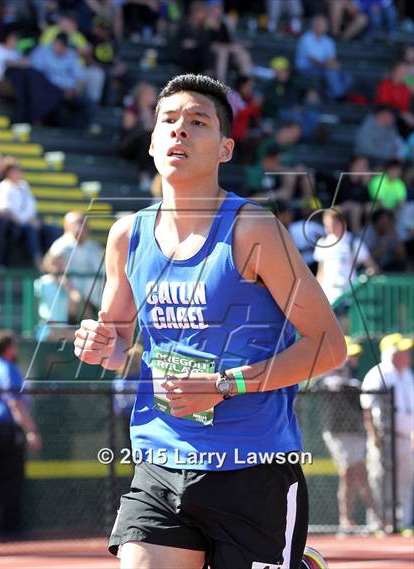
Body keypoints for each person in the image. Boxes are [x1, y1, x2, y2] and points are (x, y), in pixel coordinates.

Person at [74, 73, 347, 569]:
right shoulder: (126, 236)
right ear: (153, 140)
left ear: (225, 148)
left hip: (254, 468)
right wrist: (98, 346)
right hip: (161, 459)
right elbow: (117, 348)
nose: (179, 130)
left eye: (197, 122)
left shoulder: (253, 230)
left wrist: (225, 384)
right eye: (168, 121)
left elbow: (329, 346)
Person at [313, 336, 380, 530]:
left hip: (355, 431)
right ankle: (369, 518)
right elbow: (332, 384)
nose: (354, 359)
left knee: (353, 475)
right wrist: (352, 385)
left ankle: (350, 519)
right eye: (351, 356)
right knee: (352, 472)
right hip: (337, 432)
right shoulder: (330, 376)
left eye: (355, 356)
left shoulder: (354, 379)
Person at [360, 333, 414, 530]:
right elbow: (367, 407)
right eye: (402, 351)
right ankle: (380, 523)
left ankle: (402, 522)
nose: (407, 354)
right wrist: (374, 435)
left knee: (405, 481)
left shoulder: (407, 374)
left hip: (405, 438)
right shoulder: (378, 373)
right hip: (384, 436)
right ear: (391, 353)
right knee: (381, 479)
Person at [0, 330, 42, 537]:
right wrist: (31, 431)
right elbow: (15, 404)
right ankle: (11, 531)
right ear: (8, 348)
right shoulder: (7, 368)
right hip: (5, 432)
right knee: (11, 480)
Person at [0, 162, 60, 268]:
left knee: (52, 230)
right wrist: (26, 220)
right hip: (14, 224)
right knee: (31, 231)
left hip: (28, 221)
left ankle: (52, 259)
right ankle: (37, 261)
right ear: (8, 173)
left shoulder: (24, 185)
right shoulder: (2, 188)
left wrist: (31, 219)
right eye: (15, 171)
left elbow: (31, 204)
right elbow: (5, 209)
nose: (18, 174)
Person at [314, 207, 377, 304]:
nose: (328, 229)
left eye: (332, 225)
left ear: (342, 223)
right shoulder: (322, 243)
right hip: (328, 299)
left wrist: (362, 280)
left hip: (348, 298)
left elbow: (372, 267)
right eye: (326, 226)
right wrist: (317, 293)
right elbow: (321, 271)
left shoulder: (353, 242)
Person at [49, 211, 104, 317]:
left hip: (95, 297)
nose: (80, 226)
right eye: (76, 223)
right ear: (66, 226)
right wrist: (72, 292)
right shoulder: (60, 247)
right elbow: (56, 272)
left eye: (83, 222)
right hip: (70, 298)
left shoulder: (95, 248)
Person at [295, 14, 353, 100]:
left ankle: (332, 96)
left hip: (323, 67)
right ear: (313, 25)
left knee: (347, 77)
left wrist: (336, 65)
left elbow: (331, 59)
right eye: (318, 24)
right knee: (331, 72)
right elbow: (313, 60)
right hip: (306, 68)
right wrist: (329, 65)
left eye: (322, 24)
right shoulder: (306, 38)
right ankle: (339, 96)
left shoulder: (329, 41)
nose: (320, 26)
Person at [34, 252, 83, 341]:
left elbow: (74, 309)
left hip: (64, 329)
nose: (59, 267)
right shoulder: (41, 282)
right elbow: (35, 309)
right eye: (55, 264)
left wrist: (67, 287)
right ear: (48, 265)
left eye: (61, 264)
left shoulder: (67, 284)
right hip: (46, 329)